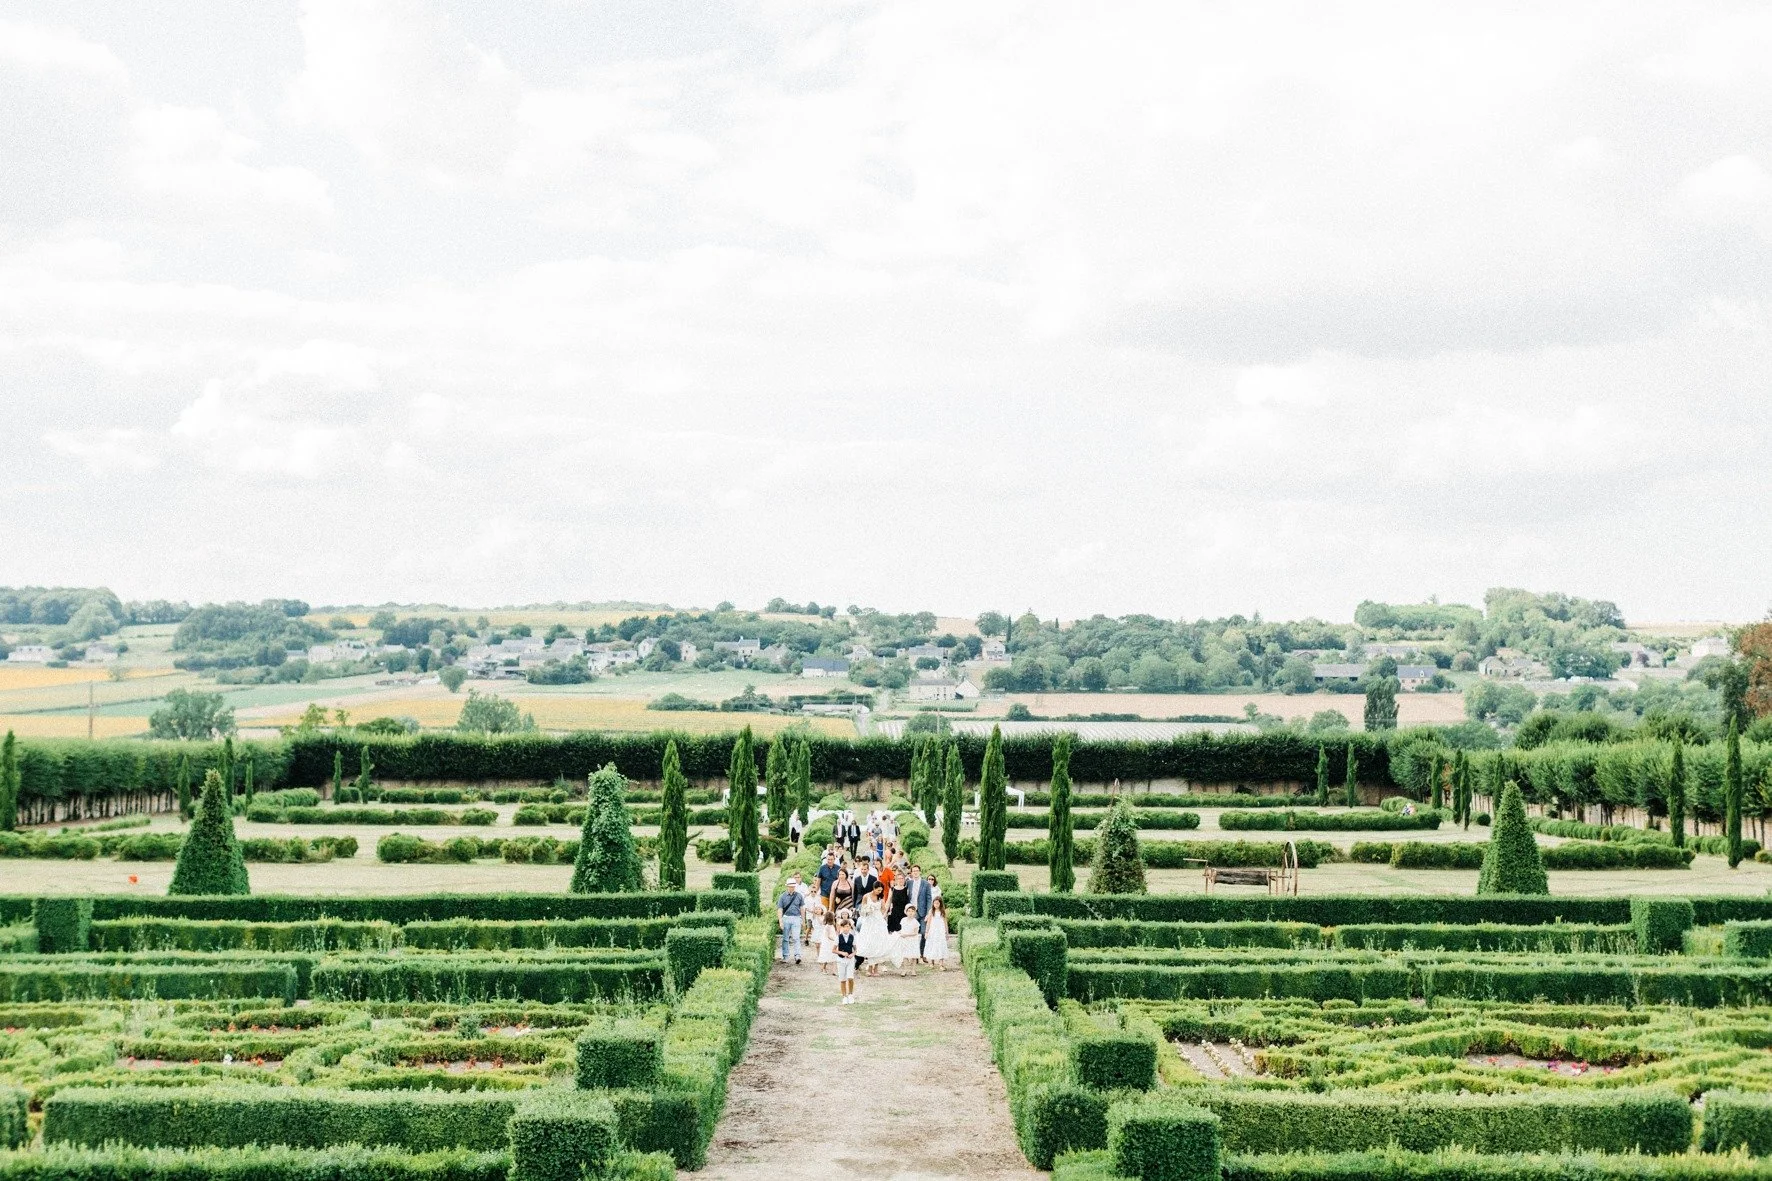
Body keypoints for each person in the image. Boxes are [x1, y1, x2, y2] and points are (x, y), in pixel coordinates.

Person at [855, 886, 891, 977]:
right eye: (878, 890)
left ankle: (876, 968)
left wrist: (882, 915)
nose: (879, 892)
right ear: (874, 888)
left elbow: (883, 909)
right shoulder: (866, 896)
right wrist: (867, 911)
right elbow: (861, 909)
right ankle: (870, 967)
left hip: (878, 922)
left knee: (878, 944)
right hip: (869, 921)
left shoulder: (881, 899)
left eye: (881, 891)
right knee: (870, 943)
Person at [905, 865, 934, 958]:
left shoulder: (926, 884)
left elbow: (929, 899)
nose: (915, 872)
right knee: (912, 933)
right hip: (912, 912)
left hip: (923, 911)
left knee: (923, 932)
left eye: (917, 871)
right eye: (913, 871)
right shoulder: (909, 883)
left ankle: (921, 954)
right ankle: (912, 954)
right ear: (911, 873)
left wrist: (929, 912)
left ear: (920, 872)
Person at [776, 874, 805, 964]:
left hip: (796, 918)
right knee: (785, 938)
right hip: (786, 918)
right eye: (790, 886)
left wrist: (803, 920)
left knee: (796, 937)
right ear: (787, 886)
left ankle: (797, 956)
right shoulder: (782, 896)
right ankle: (786, 956)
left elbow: (802, 909)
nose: (792, 888)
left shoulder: (799, 896)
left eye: (793, 886)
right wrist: (780, 921)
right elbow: (780, 909)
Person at [835, 914, 857, 1004]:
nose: (846, 929)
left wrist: (852, 954)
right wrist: (842, 953)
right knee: (842, 979)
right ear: (841, 927)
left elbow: (856, 949)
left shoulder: (852, 937)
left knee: (850, 978)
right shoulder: (838, 937)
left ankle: (850, 994)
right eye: (844, 927)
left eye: (848, 927)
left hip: (850, 960)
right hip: (841, 960)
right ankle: (844, 996)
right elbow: (833, 950)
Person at [923, 897, 951, 968]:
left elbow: (945, 923)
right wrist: (926, 932)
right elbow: (928, 922)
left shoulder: (942, 912)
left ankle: (941, 963)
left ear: (940, 904)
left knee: (941, 945)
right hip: (932, 930)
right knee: (932, 945)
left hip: (940, 931)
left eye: (937, 903)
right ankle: (932, 962)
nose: (936, 905)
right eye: (934, 903)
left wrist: (947, 933)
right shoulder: (931, 911)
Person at [893, 908, 920, 976]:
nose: (910, 913)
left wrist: (906, 935)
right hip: (905, 940)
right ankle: (905, 969)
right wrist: (897, 933)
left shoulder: (915, 922)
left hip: (912, 940)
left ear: (914, 912)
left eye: (912, 911)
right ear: (906, 912)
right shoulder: (903, 920)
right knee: (905, 955)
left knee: (913, 955)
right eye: (909, 911)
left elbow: (915, 933)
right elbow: (902, 929)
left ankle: (913, 970)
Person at [815, 904, 838, 974]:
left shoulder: (832, 926)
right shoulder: (827, 926)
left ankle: (834, 971)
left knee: (834, 956)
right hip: (828, 943)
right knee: (827, 955)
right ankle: (823, 968)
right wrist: (835, 940)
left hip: (832, 943)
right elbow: (828, 936)